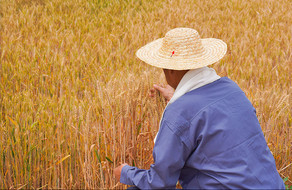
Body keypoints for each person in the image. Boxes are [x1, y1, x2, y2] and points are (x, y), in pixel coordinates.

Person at [113, 28, 285, 189]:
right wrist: (177, 98)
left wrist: (126, 173)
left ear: (170, 70)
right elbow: (206, 113)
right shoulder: (231, 88)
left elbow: (160, 183)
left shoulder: (179, 113)